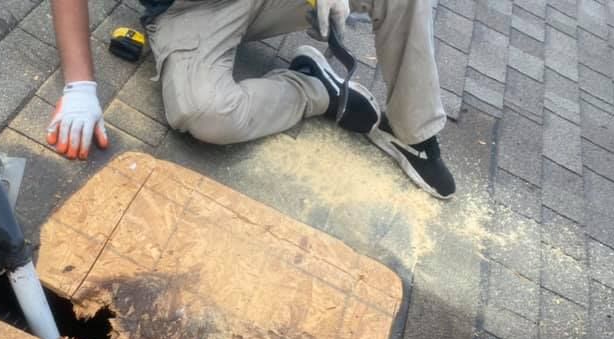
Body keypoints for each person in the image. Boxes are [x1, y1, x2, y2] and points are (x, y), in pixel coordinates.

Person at [46, 0, 455, 199]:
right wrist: (80, 87)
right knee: (205, 113)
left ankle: (412, 130)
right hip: (189, 12)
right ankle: (313, 88)